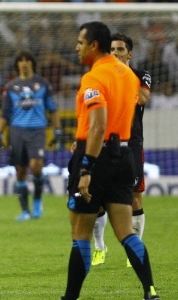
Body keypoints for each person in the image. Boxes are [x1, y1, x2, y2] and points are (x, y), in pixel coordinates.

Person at [61, 21, 160, 300]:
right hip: (124, 153)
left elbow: (98, 125)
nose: (77, 47)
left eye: (81, 42)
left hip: (96, 154)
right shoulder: (129, 76)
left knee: (80, 233)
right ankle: (150, 290)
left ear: (94, 45)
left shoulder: (93, 77)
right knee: (126, 231)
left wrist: (86, 167)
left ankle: (69, 297)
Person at [91, 33, 153, 268]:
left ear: (130, 53)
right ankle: (99, 247)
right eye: (112, 49)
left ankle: (133, 250)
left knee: (135, 198)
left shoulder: (141, 75)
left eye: (120, 49)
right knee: (96, 199)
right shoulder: (102, 77)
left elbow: (142, 99)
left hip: (132, 143)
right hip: (105, 143)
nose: (115, 53)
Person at [0, 50, 62, 221]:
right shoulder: (10, 87)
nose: (24, 63)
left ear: (32, 63)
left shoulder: (43, 84)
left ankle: (38, 200)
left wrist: (57, 130)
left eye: (27, 60)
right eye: (21, 60)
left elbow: (53, 110)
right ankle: (25, 211)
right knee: (20, 171)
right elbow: (5, 113)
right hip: (17, 131)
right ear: (17, 64)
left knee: (36, 166)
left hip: (37, 130)